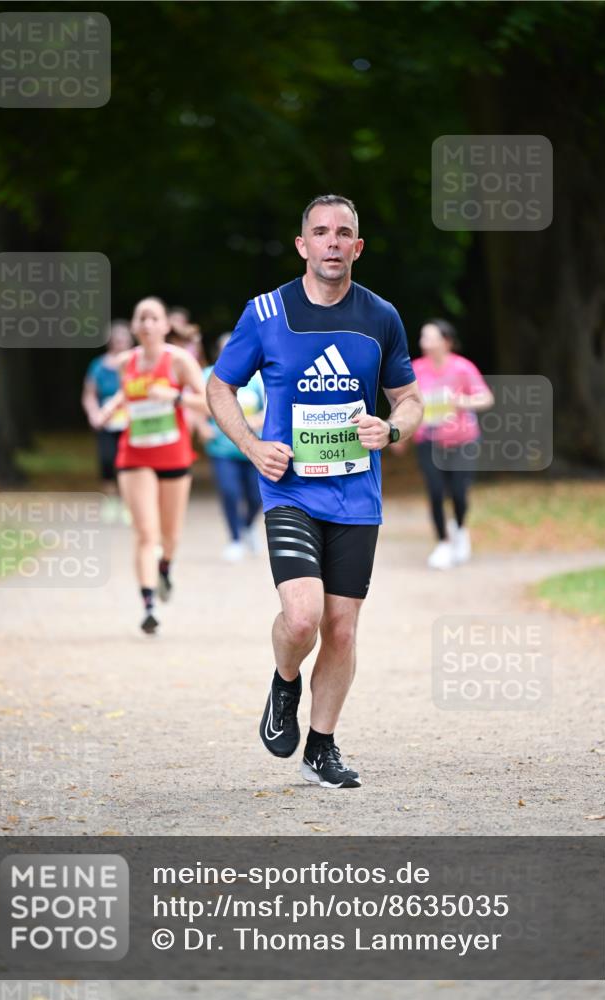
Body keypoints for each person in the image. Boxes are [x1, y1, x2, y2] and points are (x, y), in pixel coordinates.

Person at [207, 194, 423, 789]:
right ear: (303, 245)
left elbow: (410, 396)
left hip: (357, 496)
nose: (332, 242)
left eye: (343, 233)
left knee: (344, 628)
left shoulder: (381, 317)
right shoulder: (266, 312)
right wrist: (252, 447)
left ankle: (321, 746)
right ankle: (284, 681)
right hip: (290, 490)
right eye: (320, 232)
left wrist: (393, 426)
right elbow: (219, 386)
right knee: (302, 619)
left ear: (357, 247)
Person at [97, 297, 208, 634]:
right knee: (146, 532)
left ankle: (165, 568)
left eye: (153, 318)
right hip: (134, 455)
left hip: (173, 455)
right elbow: (126, 395)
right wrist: (110, 408)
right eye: (141, 318)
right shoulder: (124, 363)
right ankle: (149, 605)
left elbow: (207, 403)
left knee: (169, 536)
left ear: (164, 326)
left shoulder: (179, 361)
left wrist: (173, 398)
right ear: (134, 326)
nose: (146, 324)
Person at [409, 319, 493, 569]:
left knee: (458, 492)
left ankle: (459, 528)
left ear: (446, 341)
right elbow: (405, 402)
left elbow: (486, 398)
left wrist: (462, 402)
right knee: (435, 491)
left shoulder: (463, 367)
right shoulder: (415, 369)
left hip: (462, 439)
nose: (424, 342)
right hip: (428, 440)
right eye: (423, 337)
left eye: (430, 337)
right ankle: (443, 543)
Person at [201, 333, 265, 561]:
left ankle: (247, 527)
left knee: (257, 498)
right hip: (222, 447)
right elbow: (197, 406)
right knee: (230, 493)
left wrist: (259, 418)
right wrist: (200, 426)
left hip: (253, 446)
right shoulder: (208, 375)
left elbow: (270, 406)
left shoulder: (256, 377)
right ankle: (235, 539)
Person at [81, 320, 133, 521]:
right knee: (106, 459)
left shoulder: (136, 362)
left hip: (131, 421)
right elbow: (89, 394)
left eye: (123, 339)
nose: (120, 342)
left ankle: (129, 502)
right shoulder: (98, 365)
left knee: (129, 463)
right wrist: (94, 414)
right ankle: (110, 500)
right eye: (116, 339)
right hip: (106, 420)